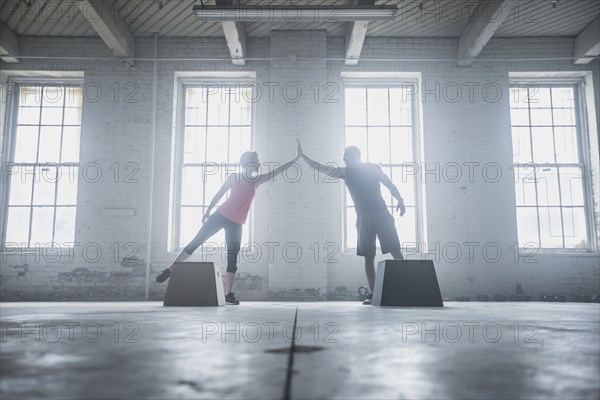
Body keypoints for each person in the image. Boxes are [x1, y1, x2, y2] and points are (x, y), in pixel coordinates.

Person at [156, 146, 301, 305]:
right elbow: (219, 194)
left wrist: (295, 159)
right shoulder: (234, 177)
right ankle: (169, 270)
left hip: (236, 224)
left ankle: (228, 294)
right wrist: (208, 211)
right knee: (195, 242)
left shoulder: (257, 180)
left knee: (232, 259)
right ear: (247, 163)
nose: (259, 165)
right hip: (220, 216)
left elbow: (278, 170)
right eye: (256, 162)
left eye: (259, 163)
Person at [298, 140, 406, 305]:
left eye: (346, 155)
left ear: (355, 155)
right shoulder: (345, 172)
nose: (343, 158)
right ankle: (373, 293)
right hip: (363, 217)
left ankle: (408, 286)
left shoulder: (373, 168)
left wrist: (400, 199)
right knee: (368, 257)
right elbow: (321, 168)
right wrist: (303, 156)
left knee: (395, 251)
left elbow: (389, 184)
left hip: (381, 214)